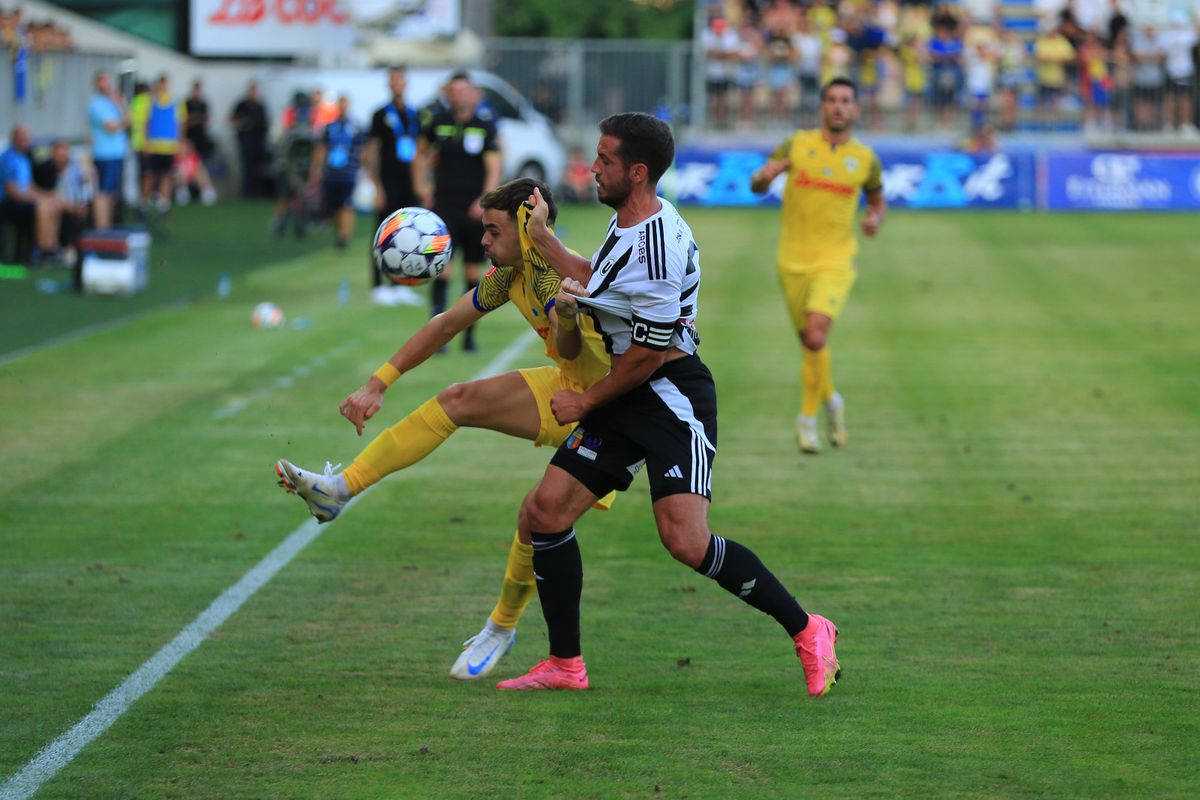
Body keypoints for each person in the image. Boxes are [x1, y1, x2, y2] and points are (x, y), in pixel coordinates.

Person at [496, 113, 841, 698]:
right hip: (631, 389)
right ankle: (564, 663)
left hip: (670, 396)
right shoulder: (628, 224)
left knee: (685, 541)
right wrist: (544, 238)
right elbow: (597, 280)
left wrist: (583, 401)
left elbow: (649, 358)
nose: (593, 167)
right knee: (545, 512)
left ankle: (809, 630)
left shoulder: (656, 247)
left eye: (604, 160)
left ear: (636, 172)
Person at [275, 178, 615, 680]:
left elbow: (568, 346)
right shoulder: (511, 274)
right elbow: (444, 325)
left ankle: (502, 627)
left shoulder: (550, 278)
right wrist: (377, 384)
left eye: (491, 230)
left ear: (527, 229)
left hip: (613, 407)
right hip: (569, 387)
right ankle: (338, 489)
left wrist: (565, 314)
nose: (481, 241)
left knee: (537, 519)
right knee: (457, 399)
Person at [750, 78, 886, 455]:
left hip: (836, 261)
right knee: (810, 345)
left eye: (846, 100)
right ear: (823, 107)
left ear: (856, 109)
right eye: (832, 100)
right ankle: (833, 401)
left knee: (814, 337)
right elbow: (757, 184)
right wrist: (762, 179)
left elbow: (877, 200)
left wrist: (875, 219)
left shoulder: (865, 158)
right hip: (791, 261)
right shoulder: (797, 144)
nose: (839, 107)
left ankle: (806, 420)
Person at [415, 71, 502, 352]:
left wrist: (484, 199)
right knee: (442, 268)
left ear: (472, 93)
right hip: (442, 206)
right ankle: (436, 338)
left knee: (473, 272)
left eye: (464, 90)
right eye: (454, 91)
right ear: (447, 94)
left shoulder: (484, 125)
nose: (459, 96)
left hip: (474, 208)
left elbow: (494, 165)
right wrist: (423, 186)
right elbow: (420, 155)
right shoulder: (437, 123)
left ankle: (468, 337)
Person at [367, 67, 422, 304]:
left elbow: (420, 150)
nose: (397, 84)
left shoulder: (414, 114)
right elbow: (371, 152)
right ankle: (378, 285)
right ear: (389, 85)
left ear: (405, 83)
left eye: (401, 80)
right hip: (388, 180)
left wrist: (422, 182)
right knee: (383, 233)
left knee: (407, 233)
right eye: (393, 81)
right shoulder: (380, 115)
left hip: (408, 181)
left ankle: (401, 283)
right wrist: (377, 186)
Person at [308, 94, 367, 250]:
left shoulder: (356, 127)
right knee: (333, 207)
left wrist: (365, 168)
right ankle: (339, 232)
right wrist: (316, 170)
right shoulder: (329, 127)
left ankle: (345, 236)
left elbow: (363, 149)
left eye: (345, 104)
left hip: (349, 172)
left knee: (347, 205)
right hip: (332, 173)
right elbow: (321, 149)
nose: (343, 107)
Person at [1, 124, 62, 263]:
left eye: (27, 138)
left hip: (22, 200)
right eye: (21, 138)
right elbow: (11, 191)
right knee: (42, 206)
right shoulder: (8, 158)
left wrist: (46, 195)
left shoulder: (24, 158)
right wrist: (38, 199)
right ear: (14, 139)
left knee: (52, 203)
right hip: (7, 204)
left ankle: (51, 248)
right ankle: (41, 251)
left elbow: (29, 185)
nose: (25, 142)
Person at [33, 138, 93, 260]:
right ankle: (48, 250)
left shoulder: (77, 169)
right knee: (50, 209)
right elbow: (44, 192)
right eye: (58, 150)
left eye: (64, 150)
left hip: (75, 205)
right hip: (56, 205)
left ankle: (62, 250)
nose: (61, 154)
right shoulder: (44, 169)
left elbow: (86, 190)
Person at [88, 70, 128, 230]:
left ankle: (108, 227)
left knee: (111, 195)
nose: (105, 85)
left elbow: (129, 118)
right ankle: (101, 230)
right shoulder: (96, 104)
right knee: (103, 194)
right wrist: (123, 121)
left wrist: (120, 105)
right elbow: (111, 127)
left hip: (117, 154)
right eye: (101, 81)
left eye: (107, 81)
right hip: (104, 155)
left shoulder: (113, 102)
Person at [141, 73, 184, 213]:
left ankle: (163, 204)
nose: (163, 88)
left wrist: (180, 142)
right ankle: (145, 203)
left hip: (169, 147)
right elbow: (147, 123)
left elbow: (180, 124)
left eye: (165, 85)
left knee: (166, 175)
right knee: (149, 175)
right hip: (153, 146)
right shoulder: (151, 102)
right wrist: (146, 142)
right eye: (160, 85)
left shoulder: (176, 102)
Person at [230, 81, 270, 198]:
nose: (253, 93)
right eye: (252, 90)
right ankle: (248, 193)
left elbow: (265, 122)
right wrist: (242, 122)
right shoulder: (241, 105)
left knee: (259, 168)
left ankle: (258, 192)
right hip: (246, 140)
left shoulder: (260, 106)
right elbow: (232, 119)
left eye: (255, 91)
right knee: (247, 167)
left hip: (259, 141)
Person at [184, 79, 213, 164]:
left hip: (201, 137)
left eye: (198, 90)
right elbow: (185, 120)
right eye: (195, 89)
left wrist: (195, 119)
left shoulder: (203, 104)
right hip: (190, 135)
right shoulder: (186, 103)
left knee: (200, 161)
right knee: (188, 160)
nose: (197, 92)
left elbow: (207, 119)